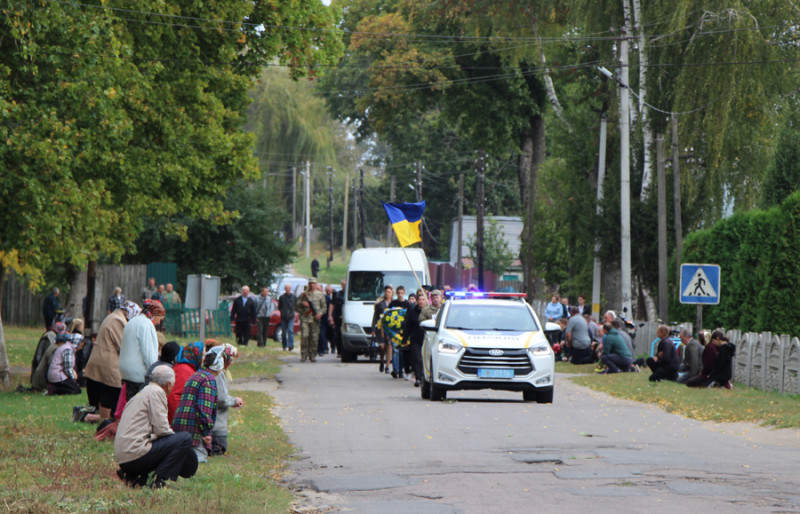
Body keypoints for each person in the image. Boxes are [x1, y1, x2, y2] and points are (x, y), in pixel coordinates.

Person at [114, 365, 198, 489]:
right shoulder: (157, 392)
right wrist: (181, 446)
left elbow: (151, 433)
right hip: (136, 454)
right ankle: (158, 480)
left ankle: (138, 479)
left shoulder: (143, 392)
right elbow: (162, 429)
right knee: (184, 438)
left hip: (124, 457)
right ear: (169, 384)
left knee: (173, 442)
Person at [83, 302, 140, 423]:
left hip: (103, 363)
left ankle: (97, 419)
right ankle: (101, 424)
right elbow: (124, 345)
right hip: (108, 366)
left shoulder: (114, 317)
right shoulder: (118, 321)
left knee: (107, 398)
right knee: (109, 396)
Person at [172, 352, 220, 463]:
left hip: (179, 425)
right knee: (199, 458)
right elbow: (204, 409)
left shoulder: (196, 375)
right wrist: (205, 433)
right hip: (192, 428)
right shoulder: (208, 379)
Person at [119, 299, 165, 400]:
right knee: (140, 407)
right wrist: (154, 374)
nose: (159, 323)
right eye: (160, 319)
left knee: (131, 404)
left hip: (127, 372)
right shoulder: (146, 324)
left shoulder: (133, 321)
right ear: (155, 314)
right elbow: (149, 355)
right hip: (139, 374)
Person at [208, 344, 243, 456]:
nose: (231, 362)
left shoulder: (218, 372)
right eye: (230, 359)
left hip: (215, 425)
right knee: (218, 450)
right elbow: (221, 399)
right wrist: (234, 401)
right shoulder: (217, 373)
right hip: (217, 426)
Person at [167, 341, 206, 423]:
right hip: (179, 421)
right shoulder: (184, 370)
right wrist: (181, 419)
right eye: (202, 355)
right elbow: (173, 397)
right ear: (195, 355)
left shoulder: (189, 368)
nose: (204, 358)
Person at [296, 279, 326, 362]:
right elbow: (296, 306)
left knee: (314, 338)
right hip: (305, 318)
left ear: (316, 285)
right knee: (305, 336)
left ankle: (312, 355)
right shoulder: (303, 295)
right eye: (310, 283)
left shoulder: (320, 295)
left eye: (313, 283)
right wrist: (302, 304)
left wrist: (319, 314)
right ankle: (304, 355)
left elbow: (324, 307)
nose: (312, 285)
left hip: (314, 320)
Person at [402, 291, 428, 387]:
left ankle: (424, 377)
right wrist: (404, 339)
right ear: (416, 301)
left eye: (423, 300)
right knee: (416, 358)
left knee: (424, 359)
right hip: (415, 339)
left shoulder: (429, 312)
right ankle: (418, 378)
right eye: (419, 300)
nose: (421, 302)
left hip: (426, 339)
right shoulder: (412, 312)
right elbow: (407, 326)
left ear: (426, 301)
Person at [373, 285, 394, 373]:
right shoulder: (379, 304)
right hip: (381, 328)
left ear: (392, 293)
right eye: (386, 292)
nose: (387, 293)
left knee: (389, 345)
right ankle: (382, 360)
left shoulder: (394, 303)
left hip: (391, 328)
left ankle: (387, 366)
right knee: (382, 347)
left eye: (389, 292)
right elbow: (375, 317)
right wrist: (373, 329)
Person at [328, 280, 345, 357]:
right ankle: (339, 351)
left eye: (345, 284)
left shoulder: (351, 294)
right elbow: (332, 305)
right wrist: (330, 316)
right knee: (338, 334)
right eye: (343, 284)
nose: (344, 286)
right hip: (338, 317)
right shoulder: (337, 294)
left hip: (346, 317)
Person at [278, 284, 296, 351]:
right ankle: (284, 345)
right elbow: (279, 307)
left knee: (290, 330)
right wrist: (283, 312)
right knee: (284, 332)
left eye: (289, 288)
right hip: (284, 317)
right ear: (285, 289)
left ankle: (291, 345)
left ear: (290, 288)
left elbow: (296, 305)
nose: (288, 289)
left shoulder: (294, 297)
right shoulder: (282, 297)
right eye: (286, 288)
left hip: (291, 316)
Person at [318, 285, 333, 355]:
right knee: (321, 334)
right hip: (318, 319)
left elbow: (330, 308)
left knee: (326, 334)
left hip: (325, 318)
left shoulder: (326, 298)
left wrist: (330, 317)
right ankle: (322, 349)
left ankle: (326, 348)